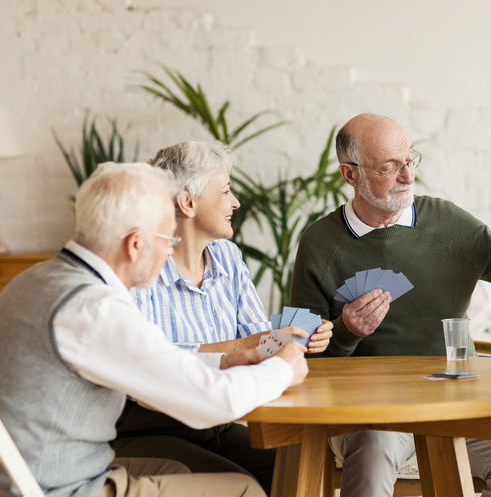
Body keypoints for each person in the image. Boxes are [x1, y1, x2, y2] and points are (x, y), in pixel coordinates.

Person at [289, 113, 491, 497]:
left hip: (457, 399)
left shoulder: (446, 222)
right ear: (350, 175)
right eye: (390, 167)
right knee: (373, 452)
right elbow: (300, 354)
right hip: (369, 412)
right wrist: (345, 331)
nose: (407, 176)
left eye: (410, 160)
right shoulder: (319, 243)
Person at [0, 162, 308, 497]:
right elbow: (211, 401)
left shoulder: (36, 280)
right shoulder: (94, 308)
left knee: (178, 471)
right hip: (63, 488)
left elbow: (148, 360)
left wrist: (222, 362)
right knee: (242, 489)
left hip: (37, 472)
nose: (170, 250)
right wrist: (282, 368)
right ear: (135, 245)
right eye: (167, 238)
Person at [112, 141, 333, 494]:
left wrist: (295, 336)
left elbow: (258, 339)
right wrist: (243, 348)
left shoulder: (227, 256)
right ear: (188, 203)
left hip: (218, 421)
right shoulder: (141, 268)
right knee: (245, 486)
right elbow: (148, 369)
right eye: (227, 190)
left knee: (298, 469)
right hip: (150, 429)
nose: (236, 202)